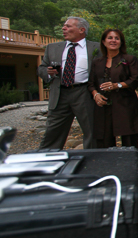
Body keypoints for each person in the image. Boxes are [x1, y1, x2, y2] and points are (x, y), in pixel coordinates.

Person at [37, 17, 100, 149]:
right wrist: (48, 73)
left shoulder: (96, 48)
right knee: (53, 131)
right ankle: (48, 161)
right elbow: (41, 68)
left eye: (68, 26)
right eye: (64, 26)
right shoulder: (52, 48)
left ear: (81, 30)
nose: (63, 28)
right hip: (60, 93)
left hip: (84, 92)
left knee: (92, 129)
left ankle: (92, 161)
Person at [88, 29, 138, 148]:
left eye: (117, 38)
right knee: (103, 142)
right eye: (110, 38)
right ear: (104, 42)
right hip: (103, 106)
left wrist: (117, 85)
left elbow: (135, 79)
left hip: (125, 104)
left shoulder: (129, 60)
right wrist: (96, 95)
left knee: (129, 141)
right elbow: (91, 83)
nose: (113, 40)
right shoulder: (97, 62)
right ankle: (107, 166)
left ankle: (129, 166)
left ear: (121, 42)